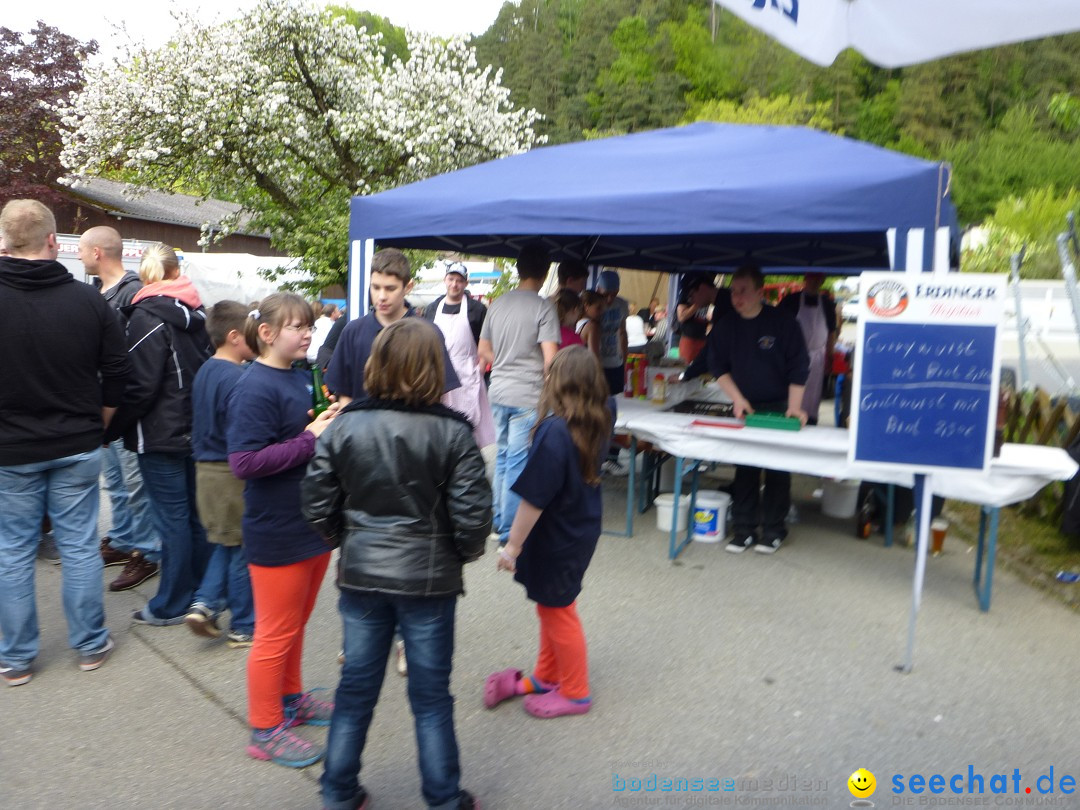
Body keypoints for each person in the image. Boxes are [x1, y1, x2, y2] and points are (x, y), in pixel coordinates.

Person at [303, 318, 491, 810]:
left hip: (362, 577)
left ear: (376, 365)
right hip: (430, 584)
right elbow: (474, 521)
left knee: (355, 691)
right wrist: (460, 555)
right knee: (431, 699)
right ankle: (444, 799)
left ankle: (338, 793)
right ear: (435, 369)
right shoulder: (454, 434)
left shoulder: (345, 426)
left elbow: (317, 503)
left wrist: (349, 542)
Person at [0, 200, 128, 686]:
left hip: (10, 449)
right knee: (77, 546)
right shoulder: (89, 300)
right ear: (55, 242)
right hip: (77, 440)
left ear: (4, 244)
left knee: (11, 551)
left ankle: (16, 658)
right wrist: (100, 421)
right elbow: (119, 373)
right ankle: (91, 645)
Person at [228, 292, 340, 768]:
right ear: (268, 333)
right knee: (273, 634)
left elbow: (305, 438)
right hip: (276, 528)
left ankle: (291, 700)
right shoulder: (254, 386)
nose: (308, 333)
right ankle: (265, 726)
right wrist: (309, 438)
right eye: (298, 327)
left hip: (311, 522)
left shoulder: (299, 376)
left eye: (310, 326)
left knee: (295, 625)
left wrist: (326, 421)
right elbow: (245, 462)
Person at [485, 346, 610, 718]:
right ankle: (546, 674)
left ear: (561, 381)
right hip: (578, 528)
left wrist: (512, 547)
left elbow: (533, 500)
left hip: (556, 536)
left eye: (550, 371)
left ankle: (575, 692)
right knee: (552, 606)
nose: (544, 376)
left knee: (559, 611)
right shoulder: (600, 417)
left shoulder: (556, 431)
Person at [105, 243, 213, 625]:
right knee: (193, 519)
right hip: (194, 430)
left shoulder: (146, 316)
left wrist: (112, 427)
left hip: (160, 435)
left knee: (173, 521)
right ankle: (202, 593)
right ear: (175, 271)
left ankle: (171, 604)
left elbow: (140, 387)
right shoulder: (197, 313)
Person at [78, 225, 163, 591]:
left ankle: (147, 553)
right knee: (114, 481)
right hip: (106, 406)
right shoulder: (100, 292)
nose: (79, 256)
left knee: (134, 484)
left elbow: (136, 360)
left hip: (127, 408)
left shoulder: (133, 293)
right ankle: (123, 538)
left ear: (97, 252)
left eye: (82, 249)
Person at [705, 266, 809, 555]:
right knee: (745, 467)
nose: (736, 297)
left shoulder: (783, 323)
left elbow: (799, 366)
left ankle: (774, 530)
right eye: (734, 291)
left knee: (777, 468)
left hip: (778, 406)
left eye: (743, 291)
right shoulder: (726, 325)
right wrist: (737, 399)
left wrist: (794, 408)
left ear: (760, 293)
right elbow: (718, 367)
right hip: (746, 407)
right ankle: (744, 528)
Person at [477, 241, 560, 546]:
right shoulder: (543, 307)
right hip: (528, 395)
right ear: (545, 270)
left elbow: (482, 350)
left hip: (498, 390)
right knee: (517, 461)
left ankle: (499, 521)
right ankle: (511, 531)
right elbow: (550, 360)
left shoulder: (497, 304)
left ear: (518, 268)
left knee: (501, 456)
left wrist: (505, 361)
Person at [184, 301, 257, 647]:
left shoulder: (206, 371)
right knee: (242, 549)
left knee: (226, 544)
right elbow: (241, 432)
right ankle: (244, 624)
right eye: (250, 335)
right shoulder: (238, 379)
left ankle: (204, 604)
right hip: (230, 474)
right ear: (233, 336)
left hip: (205, 471)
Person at [326, 248, 459, 406]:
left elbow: (439, 394)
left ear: (408, 287)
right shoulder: (353, 331)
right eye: (375, 287)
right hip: (361, 428)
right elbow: (344, 393)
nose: (381, 296)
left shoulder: (429, 333)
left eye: (390, 288)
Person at [423, 261, 495, 449]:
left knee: (470, 424)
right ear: (445, 280)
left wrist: (479, 368)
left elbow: (487, 342)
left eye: (459, 281)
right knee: (440, 423)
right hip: (438, 374)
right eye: (451, 279)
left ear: (466, 283)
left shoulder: (477, 310)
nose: (455, 284)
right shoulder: (432, 308)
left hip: (468, 375)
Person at [776, 272, 838, 425]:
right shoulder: (790, 300)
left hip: (817, 358)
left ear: (822, 281)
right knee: (791, 392)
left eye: (818, 279)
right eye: (812, 278)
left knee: (812, 396)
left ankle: (810, 421)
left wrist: (830, 356)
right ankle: (789, 418)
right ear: (805, 279)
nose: (814, 282)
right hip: (792, 357)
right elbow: (778, 328)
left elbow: (831, 331)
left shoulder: (827, 303)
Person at [675, 274, 733, 364]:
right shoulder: (723, 301)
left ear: (702, 288)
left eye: (691, 295)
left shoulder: (725, 305)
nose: (692, 301)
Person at [595, 269, 629, 397]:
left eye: (614, 294)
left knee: (617, 400)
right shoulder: (591, 304)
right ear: (598, 289)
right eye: (606, 294)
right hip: (598, 364)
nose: (609, 299)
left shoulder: (621, 304)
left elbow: (622, 332)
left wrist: (625, 359)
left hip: (616, 363)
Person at [577, 290, 605, 359]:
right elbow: (594, 357)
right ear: (586, 306)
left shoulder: (578, 323)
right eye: (598, 308)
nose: (602, 312)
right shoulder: (592, 326)